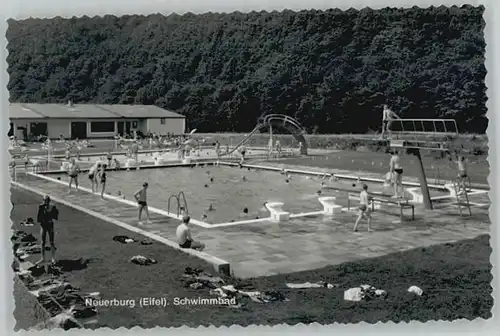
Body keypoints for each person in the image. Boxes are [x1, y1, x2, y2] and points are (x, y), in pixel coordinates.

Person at [36, 195, 59, 265]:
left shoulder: (52, 207)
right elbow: (38, 218)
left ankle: (53, 258)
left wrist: (52, 215)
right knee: (43, 242)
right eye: (45, 201)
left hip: (49, 225)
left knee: (51, 242)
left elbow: (56, 216)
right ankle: (43, 258)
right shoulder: (41, 207)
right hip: (43, 225)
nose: (46, 202)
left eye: (47, 201)